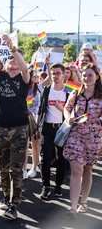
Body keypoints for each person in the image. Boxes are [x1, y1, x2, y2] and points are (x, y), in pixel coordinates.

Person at [0, 25, 31, 220]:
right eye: (11, 58)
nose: (13, 60)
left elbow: (25, 68)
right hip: (0, 129)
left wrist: (12, 47)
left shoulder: (24, 79)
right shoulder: (0, 77)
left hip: (19, 130)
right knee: (2, 168)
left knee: (16, 169)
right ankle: (5, 198)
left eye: (16, 58)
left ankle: (15, 204)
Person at [63, 64, 102, 217]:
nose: (86, 78)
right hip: (76, 135)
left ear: (97, 77)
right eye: (84, 75)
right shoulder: (76, 93)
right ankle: (73, 207)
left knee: (87, 169)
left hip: (94, 137)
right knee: (76, 169)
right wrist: (68, 118)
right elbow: (67, 108)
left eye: (90, 75)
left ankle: (84, 202)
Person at [37, 63, 69, 199]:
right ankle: (46, 187)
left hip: (62, 128)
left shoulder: (68, 92)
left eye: (58, 73)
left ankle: (58, 186)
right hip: (47, 128)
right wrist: (38, 127)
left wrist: (62, 109)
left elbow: (73, 113)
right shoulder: (47, 90)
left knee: (62, 158)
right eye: (53, 73)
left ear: (64, 74)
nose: (55, 76)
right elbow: (40, 110)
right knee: (45, 158)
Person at [24, 70, 42, 178]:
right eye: (33, 75)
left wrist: (47, 64)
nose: (35, 77)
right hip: (25, 118)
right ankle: (24, 168)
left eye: (36, 75)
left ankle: (34, 167)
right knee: (24, 145)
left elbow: (49, 77)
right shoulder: (23, 88)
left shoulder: (39, 87)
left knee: (35, 145)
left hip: (36, 119)